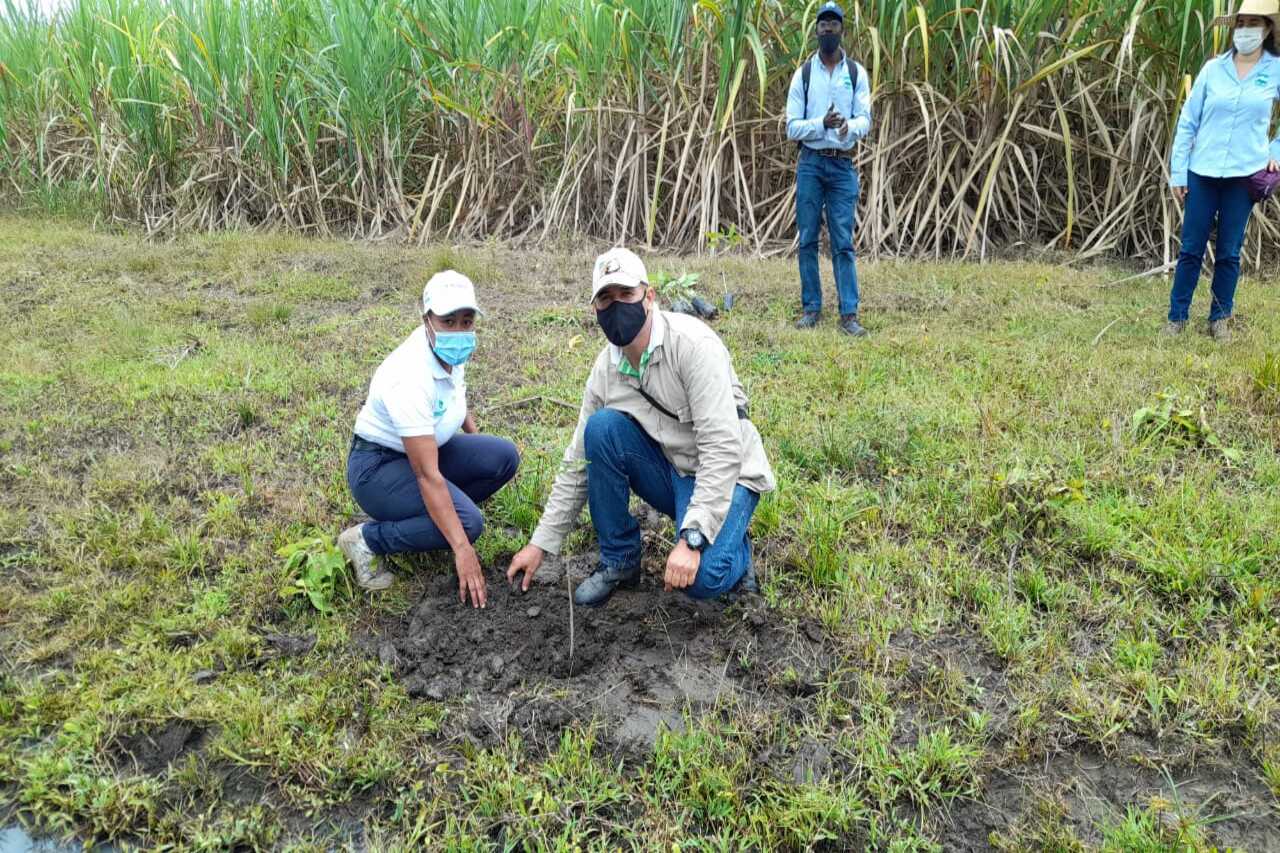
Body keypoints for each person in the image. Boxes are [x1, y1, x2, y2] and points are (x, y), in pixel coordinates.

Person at [506, 248, 775, 607]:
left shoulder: (694, 347)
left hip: (731, 473)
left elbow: (723, 448)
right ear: (595, 309)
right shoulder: (606, 370)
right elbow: (578, 462)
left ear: (649, 297)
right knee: (601, 430)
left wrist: (693, 537)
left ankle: (738, 555)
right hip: (673, 469)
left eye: (626, 294)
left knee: (704, 579)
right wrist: (540, 544)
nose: (616, 306)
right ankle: (620, 560)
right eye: (605, 298)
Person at [338, 271, 519, 607]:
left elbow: (455, 398)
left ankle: (430, 521)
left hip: (426, 450)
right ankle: (366, 540)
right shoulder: (409, 377)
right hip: (378, 468)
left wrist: (476, 445)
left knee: (502, 457)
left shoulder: (449, 351)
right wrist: (462, 548)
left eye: (467, 321)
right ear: (427, 320)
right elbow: (426, 475)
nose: (460, 330)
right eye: (448, 321)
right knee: (468, 525)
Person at [1167, 0, 1280, 342]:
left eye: (1253, 22)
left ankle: (1219, 318)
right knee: (1190, 248)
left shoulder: (1275, 69)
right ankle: (1177, 317)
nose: (1245, 29)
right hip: (1203, 171)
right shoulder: (1213, 70)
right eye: (1240, 22)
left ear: (1267, 28)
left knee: (1230, 251)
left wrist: (1275, 151)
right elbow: (1188, 121)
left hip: (1244, 175)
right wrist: (1179, 172)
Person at [786, 0, 873, 337]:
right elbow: (792, 127)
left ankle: (849, 314)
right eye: (823, 24)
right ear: (816, 30)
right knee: (807, 238)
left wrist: (846, 129)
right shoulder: (803, 75)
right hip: (810, 163)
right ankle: (811, 308)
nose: (827, 29)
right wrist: (821, 125)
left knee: (843, 242)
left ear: (842, 30)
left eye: (833, 24)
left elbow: (865, 118)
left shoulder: (856, 74)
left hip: (841, 167)